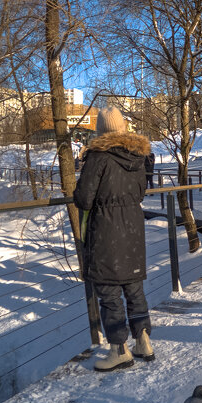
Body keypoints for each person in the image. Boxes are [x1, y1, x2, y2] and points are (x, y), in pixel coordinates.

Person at [74, 107, 154, 372]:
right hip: (133, 227)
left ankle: (119, 349)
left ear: (101, 130)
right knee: (133, 286)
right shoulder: (139, 156)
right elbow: (141, 193)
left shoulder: (98, 157)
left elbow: (84, 198)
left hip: (106, 230)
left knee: (108, 292)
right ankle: (143, 341)